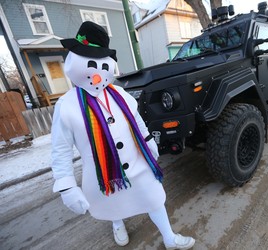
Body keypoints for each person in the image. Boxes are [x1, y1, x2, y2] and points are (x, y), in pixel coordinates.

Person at [51, 21, 195, 249]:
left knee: (154, 198)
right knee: (112, 203)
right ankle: (117, 224)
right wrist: (66, 185)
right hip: (103, 173)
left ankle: (169, 238)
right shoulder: (66, 106)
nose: (97, 72)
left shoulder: (120, 93)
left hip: (138, 164)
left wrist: (149, 143)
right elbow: (59, 149)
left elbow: (137, 121)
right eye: (90, 62)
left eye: (101, 63)